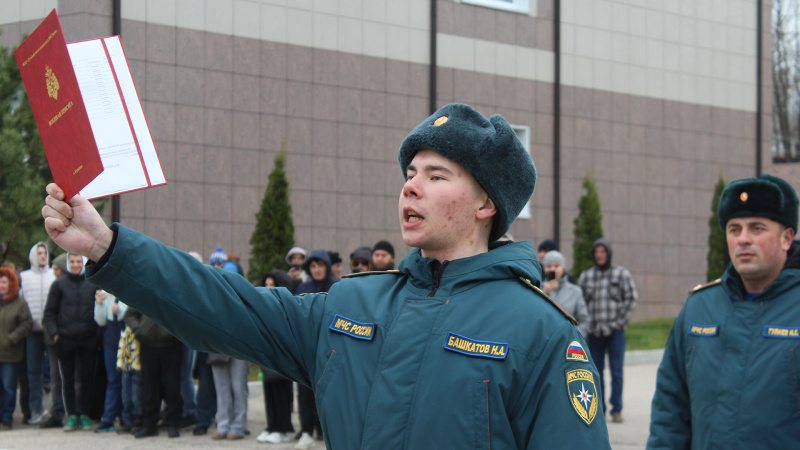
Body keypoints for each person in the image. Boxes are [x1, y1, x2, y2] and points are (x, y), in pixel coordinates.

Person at [42, 102, 611, 447]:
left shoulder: (543, 335)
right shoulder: (350, 307)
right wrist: (105, 245)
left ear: (488, 203)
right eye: (410, 172)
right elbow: (222, 305)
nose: (410, 186)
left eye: (437, 175)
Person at [648, 174, 800, 449]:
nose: (743, 239)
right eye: (734, 229)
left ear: (786, 238)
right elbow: (670, 412)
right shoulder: (699, 308)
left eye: (756, 228)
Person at [578, 238, 638, 423]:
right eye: (596, 252)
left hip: (614, 331)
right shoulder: (586, 277)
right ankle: (599, 409)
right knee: (596, 372)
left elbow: (632, 298)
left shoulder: (621, 274)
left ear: (609, 254)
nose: (599, 255)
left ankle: (616, 409)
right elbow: (581, 303)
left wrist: (620, 322)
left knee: (616, 372)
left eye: (603, 252)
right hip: (594, 333)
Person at [42, 253, 99, 431]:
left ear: (83, 263)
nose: (75, 265)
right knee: (67, 379)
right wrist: (55, 335)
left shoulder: (92, 284)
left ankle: (85, 414)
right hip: (65, 339)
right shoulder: (59, 285)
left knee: (86, 379)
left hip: (88, 338)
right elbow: (49, 314)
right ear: (68, 264)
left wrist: (96, 335)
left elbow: (99, 311)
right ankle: (72, 415)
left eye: (78, 262)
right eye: (72, 262)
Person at [294, 250, 339, 448]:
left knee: (328, 390)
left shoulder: (337, 287)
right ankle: (306, 431)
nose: (317, 269)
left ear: (327, 266)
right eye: (313, 266)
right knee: (304, 391)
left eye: (321, 265)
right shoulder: (303, 287)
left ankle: (325, 430)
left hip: (329, 348)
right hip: (307, 347)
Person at [209, 260, 250, 441]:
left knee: (238, 386)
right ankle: (223, 424)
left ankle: (239, 426)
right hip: (218, 347)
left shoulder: (246, 295)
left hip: (240, 347)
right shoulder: (213, 296)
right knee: (221, 388)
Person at [256, 270, 295, 445]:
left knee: (281, 393)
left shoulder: (288, 306)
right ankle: (271, 426)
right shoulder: (262, 306)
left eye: (273, 285)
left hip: (283, 355)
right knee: (269, 391)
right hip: (268, 353)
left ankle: (282, 428)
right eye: (266, 284)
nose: (268, 288)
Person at [19, 242, 56, 425]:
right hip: (32, 332)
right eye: (39, 253)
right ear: (33, 255)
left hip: (51, 331)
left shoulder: (53, 276)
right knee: (34, 373)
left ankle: (56, 410)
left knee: (55, 373)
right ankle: (35, 410)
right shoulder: (24, 277)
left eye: (45, 253)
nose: (43, 256)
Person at [0, 267, 33, 429]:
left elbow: (27, 324)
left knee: (8, 387)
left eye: (4, 281)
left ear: (11, 283)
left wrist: (12, 338)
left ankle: (6, 419)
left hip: (11, 354)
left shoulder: (20, 303)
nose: (1, 284)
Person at [38, 253, 68, 428]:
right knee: (56, 379)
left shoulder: (72, 284)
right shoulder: (55, 286)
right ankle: (57, 412)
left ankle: (75, 411)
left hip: (73, 338)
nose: (53, 272)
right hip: (56, 339)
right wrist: (54, 334)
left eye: (56, 269)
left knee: (74, 378)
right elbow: (48, 314)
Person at [93, 289, 128, 433]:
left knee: (127, 381)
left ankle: (127, 416)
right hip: (110, 342)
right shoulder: (106, 294)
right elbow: (100, 321)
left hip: (127, 341)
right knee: (113, 380)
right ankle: (108, 418)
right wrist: (99, 304)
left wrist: (119, 310)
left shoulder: (129, 290)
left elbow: (130, 315)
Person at [541, 250, 591, 337]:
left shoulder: (575, 291)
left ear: (563, 268)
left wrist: (574, 336)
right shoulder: (537, 289)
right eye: (549, 266)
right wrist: (542, 292)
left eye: (556, 266)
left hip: (569, 342)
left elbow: (585, 321)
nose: (552, 269)